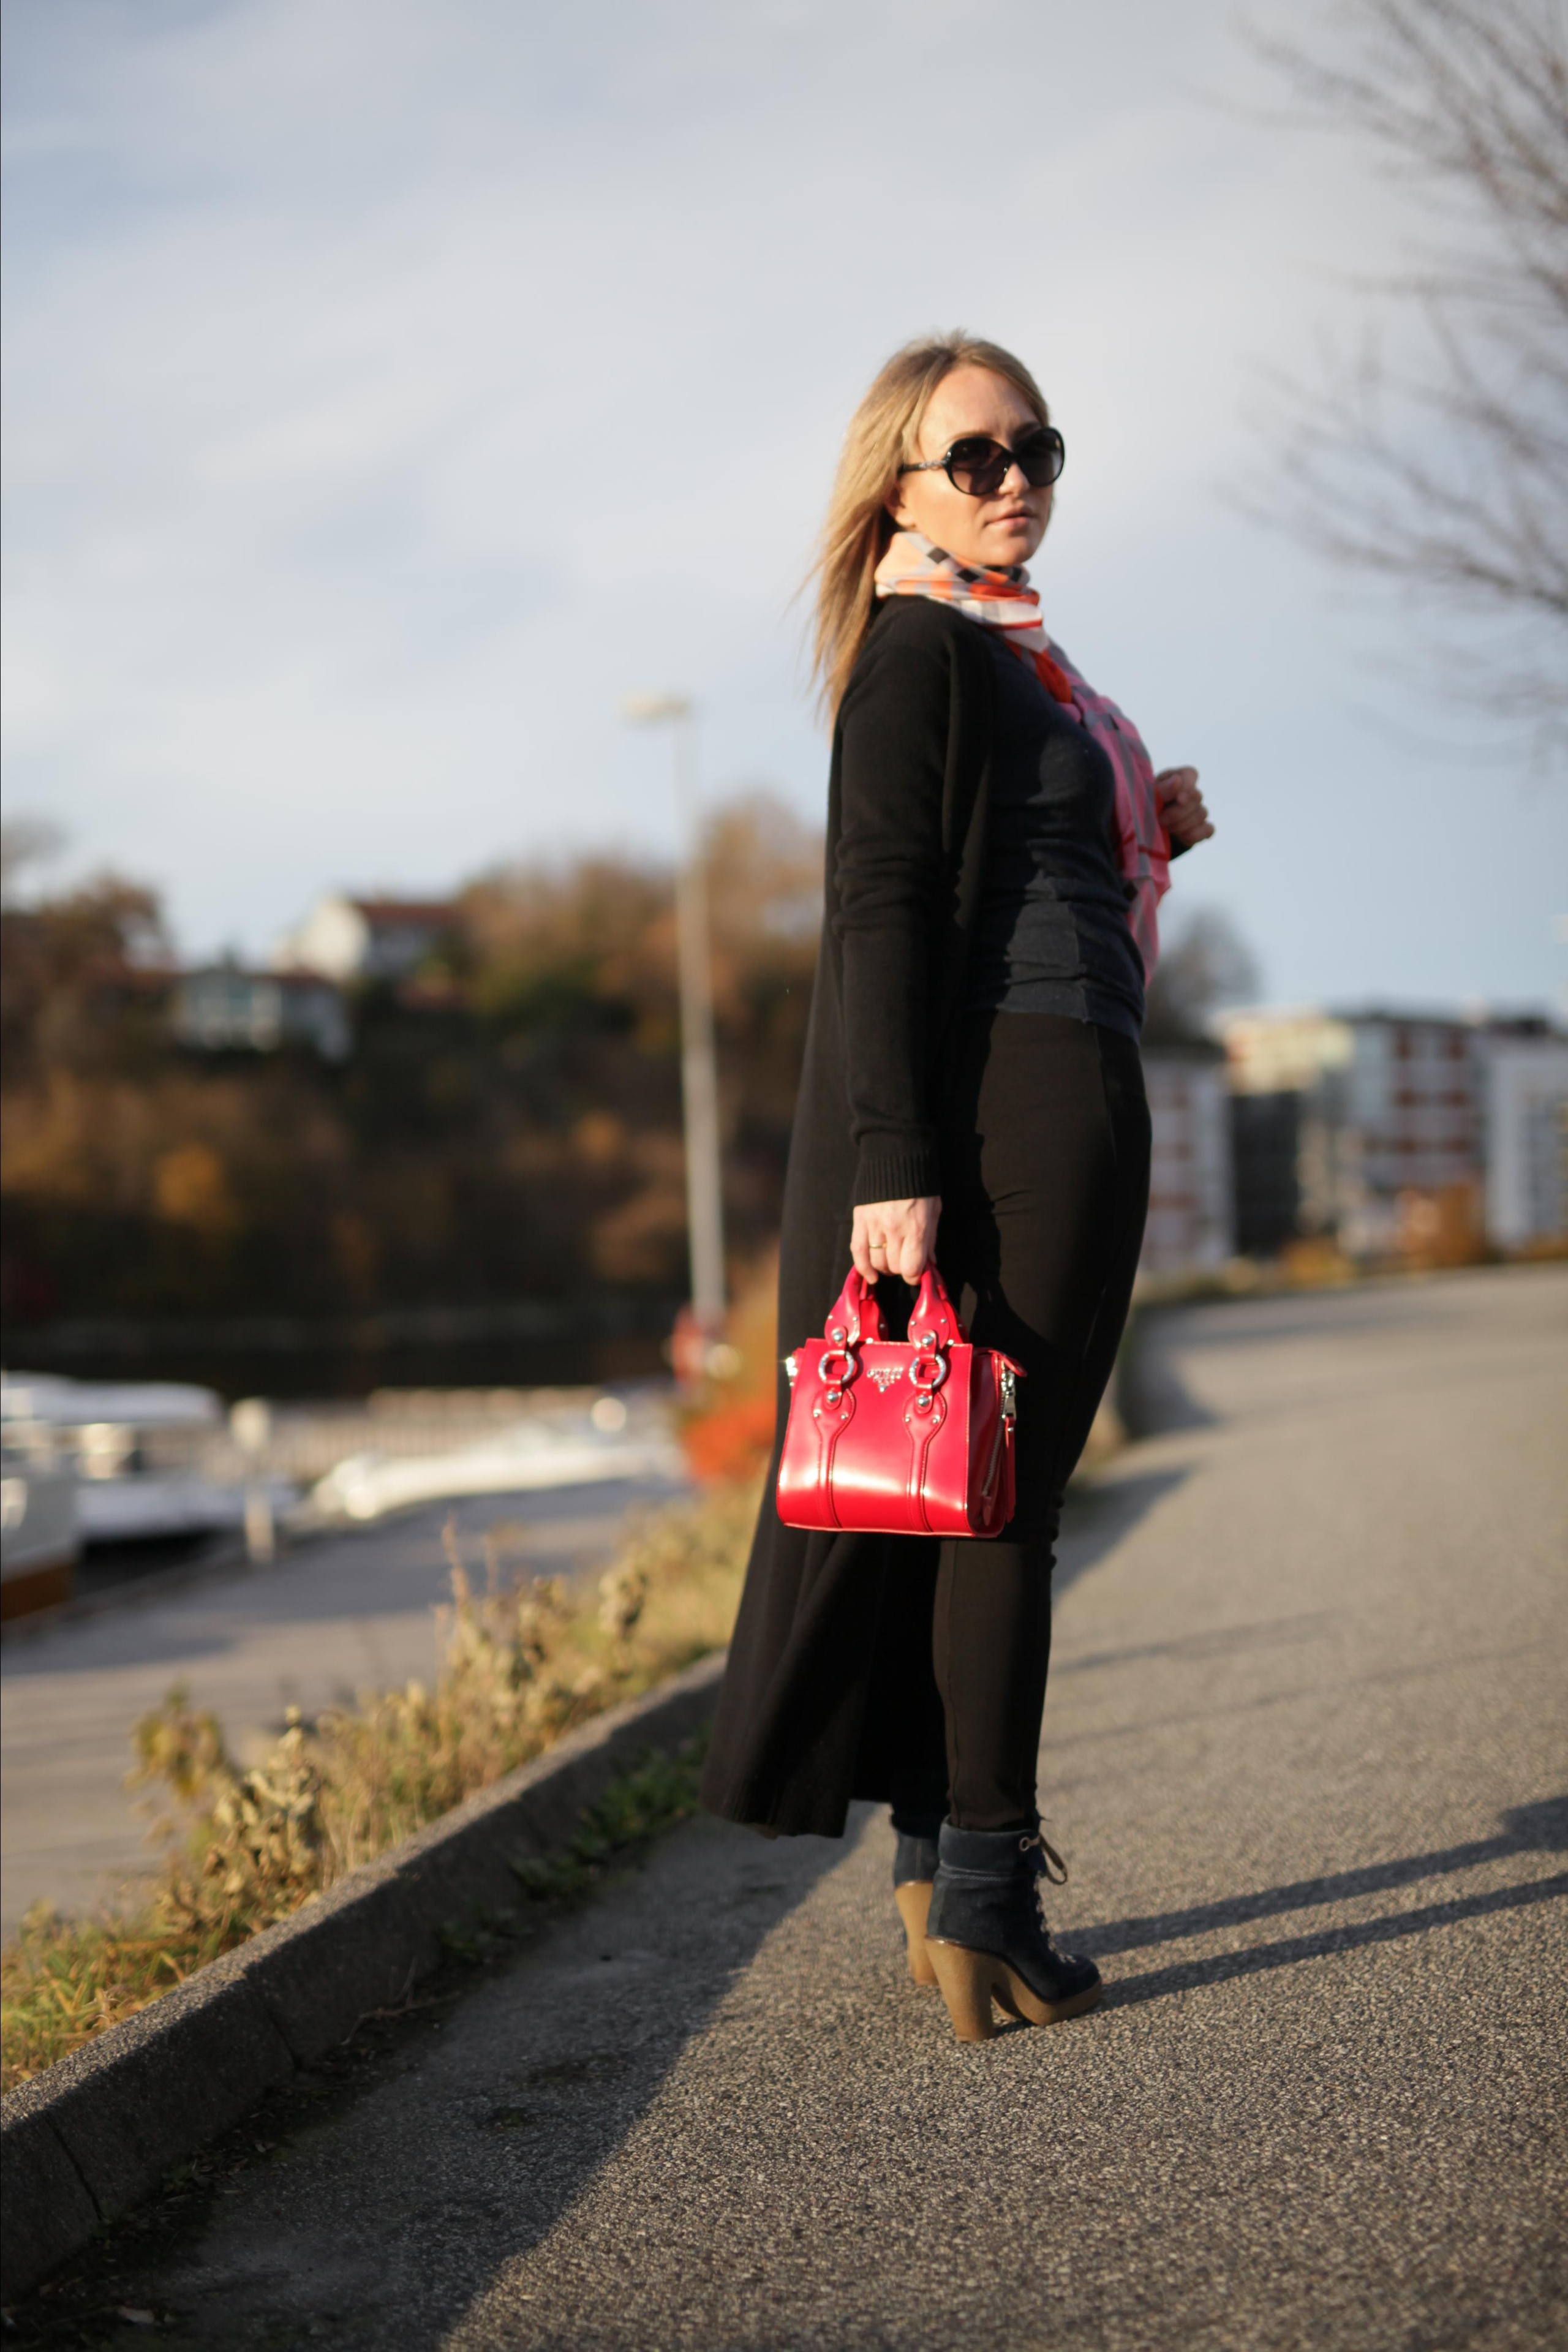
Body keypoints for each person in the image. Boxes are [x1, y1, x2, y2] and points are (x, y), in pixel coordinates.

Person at [698, 332, 1215, 2041]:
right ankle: (987, 1882)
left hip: (1060, 1075)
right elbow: (882, 907)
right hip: (1029, 1093)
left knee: (978, 1484)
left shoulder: (1027, 667)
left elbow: (1012, 858)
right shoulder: (922, 651)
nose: (1018, 482)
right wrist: (895, 1169)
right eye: (976, 458)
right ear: (897, 491)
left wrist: (1152, 819)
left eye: (1037, 448)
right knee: (1007, 1497)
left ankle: (940, 1868)